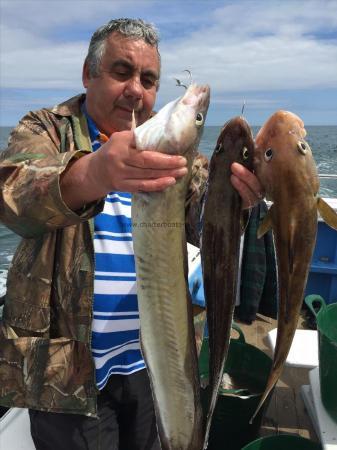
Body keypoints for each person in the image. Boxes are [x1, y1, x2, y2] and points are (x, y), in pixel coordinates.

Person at [0, 18, 263, 450]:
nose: (136, 90)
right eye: (121, 72)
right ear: (88, 74)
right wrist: (95, 172)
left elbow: (203, 208)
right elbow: (13, 195)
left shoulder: (174, 153)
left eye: (149, 79)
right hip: (68, 374)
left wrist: (240, 196)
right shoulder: (47, 129)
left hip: (156, 360)